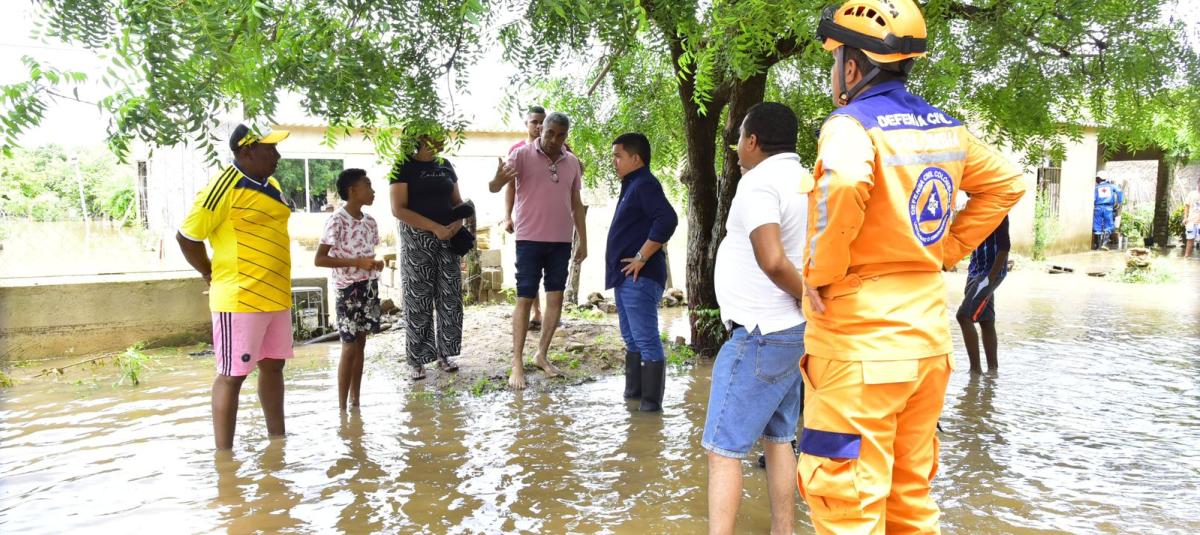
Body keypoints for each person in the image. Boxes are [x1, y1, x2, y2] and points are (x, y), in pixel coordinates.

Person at [800, 2, 1026, 532]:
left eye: (836, 61)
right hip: (927, 344)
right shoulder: (948, 130)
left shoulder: (850, 125)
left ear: (851, 68)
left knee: (847, 504)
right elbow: (1007, 184)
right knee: (910, 500)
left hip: (860, 347)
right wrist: (945, 249)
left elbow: (847, 182)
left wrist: (819, 273)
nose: (836, 72)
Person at [704, 102, 812, 535]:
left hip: (760, 333)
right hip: (791, 334)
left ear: (752, 141)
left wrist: (812, 299)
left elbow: (772, 259)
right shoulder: (805, 180)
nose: (736, 151)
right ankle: (782, 531)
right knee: (779, 439)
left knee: (723, 450)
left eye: (739, 141)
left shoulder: (759, 183)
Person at [176, 123, 295, 450]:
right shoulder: (222, 187)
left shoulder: (272, 184)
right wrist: (207, 272)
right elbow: (187, 237)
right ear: (246, 152)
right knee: (232, 374)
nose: (277, 155)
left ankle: (278, 441)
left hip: (276, 295)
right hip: (240, 299)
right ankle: (224, 459)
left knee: (274, 366)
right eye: (269, 149)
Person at [488, 112, 587, 390]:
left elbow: (576, 203)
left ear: (566, 136)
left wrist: (584, 240)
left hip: (561, 241)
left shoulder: (572, 163)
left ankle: (541, 354)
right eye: (550, 133)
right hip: (529, 240)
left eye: (561, 135)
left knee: (555, 298)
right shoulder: (520, 155)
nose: (555, 139)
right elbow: (495, 187)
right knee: (524, 297)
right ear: (540, 129)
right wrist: (496, 180)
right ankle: (517, 362)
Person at [606, 132, 678, 412]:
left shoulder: (645, 184)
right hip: (626, 278)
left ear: (636, 158)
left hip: (640, 277)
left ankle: (650, 410)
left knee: (646, 340)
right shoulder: (632, 184)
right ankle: (633, 399)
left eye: (618, 156)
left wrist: (641, 256)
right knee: (632, 339)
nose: (614, 161)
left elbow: (668, 219)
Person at [389, 136, 470, 380]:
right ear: (421, 137)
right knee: (418, 298)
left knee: (450, 297)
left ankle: (446, 354)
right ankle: (417, 359)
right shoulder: (402, 165)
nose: (443, 138)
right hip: (417, 239)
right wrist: (434, 227)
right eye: (436, 134)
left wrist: (456, 224)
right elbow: (398, 209)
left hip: (448, 236)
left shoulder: (445, 164)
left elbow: (457, 202)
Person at [315, 169, 384, 410]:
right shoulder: (336, 220)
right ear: (353, 191)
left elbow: (366, 254)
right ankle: (342, 408)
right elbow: (320, 259)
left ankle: (356, 400)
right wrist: (357, 262)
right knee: (349, 345)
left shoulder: (370, 222)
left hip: (368, 287)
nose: (373, 190)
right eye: (368, 185)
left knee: (361, 343)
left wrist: (375, 263)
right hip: (347, 290)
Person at [957, 216, 1010, 373]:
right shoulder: (974, 210)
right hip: (975, 270)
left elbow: (1005, 247)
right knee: (986, 321)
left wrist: (990, 278)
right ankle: (992, 374)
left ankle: (975, 372)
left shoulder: (998, 210)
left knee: (963, 316)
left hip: (989, 273)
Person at [1093, 175, 1124, 250]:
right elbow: (1119, 191)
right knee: (1109, 225)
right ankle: (1105, 244)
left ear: (1099, 179)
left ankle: (1097, 246)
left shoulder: (1096, 188)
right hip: (1108, 208)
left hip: (1098, 208)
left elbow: (1093, 198)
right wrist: (1119, 202)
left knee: (1097, 225)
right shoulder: (1111, 186)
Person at [1183, 181, 1200, 258]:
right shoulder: (1192, 194)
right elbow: (1187, 206)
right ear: (1198, 183)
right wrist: (1185, 218)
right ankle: (1186, 258)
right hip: (1191, 222)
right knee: (1190, 240)